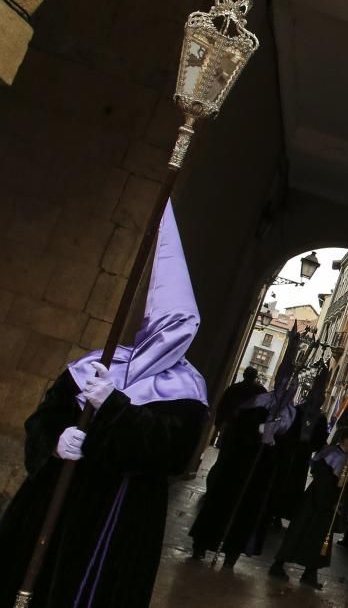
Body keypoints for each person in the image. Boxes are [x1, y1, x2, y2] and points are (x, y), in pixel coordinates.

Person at [0, 201, 210, 607]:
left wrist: (112, 407)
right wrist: (55, 442)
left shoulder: (187, 388)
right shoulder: (96, 364)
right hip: (55, 499)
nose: (174, 335)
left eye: (183, 328)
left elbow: (171, 452)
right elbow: (45, 417)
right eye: (168, 325)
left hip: (120, 515)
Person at [189, 364, 299, 567]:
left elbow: (289, 447)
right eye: (286, 384)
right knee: (220, 504)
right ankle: (202, 544)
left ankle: (232, 553)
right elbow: (238, 425)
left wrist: (273, 443)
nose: (288, 389)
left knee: (247, 513)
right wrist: (257, 431)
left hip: (261, 472)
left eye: (293, 386)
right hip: (238, 464)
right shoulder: (259, 400)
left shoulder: (291, 414)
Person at [268, 426, 348, 588]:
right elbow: (322, 481)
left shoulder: (345, 457)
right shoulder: (332, 454)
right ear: (346, 441)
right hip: (315, 502)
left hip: (326, 505)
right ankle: (278, 565)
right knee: (299, 534)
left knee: (319, 540)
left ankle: (310, 573)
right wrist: (330, 501)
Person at [266, 365, 330, 526]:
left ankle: (280, 513)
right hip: (290, 453)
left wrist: (310, 444)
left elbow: (319, 439)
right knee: (282, 481)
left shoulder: (317, 417)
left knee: (291, 485)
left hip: (300, 456)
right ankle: (273, 511)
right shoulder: (299, 411)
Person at [212, 366, 265, 446]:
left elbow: (222, 406)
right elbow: (264, 412)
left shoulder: (234, 388)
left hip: (232, 425)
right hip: (249, 430)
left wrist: (219, 423)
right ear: (255, 377)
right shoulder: (261, 391)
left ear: (244, 375)